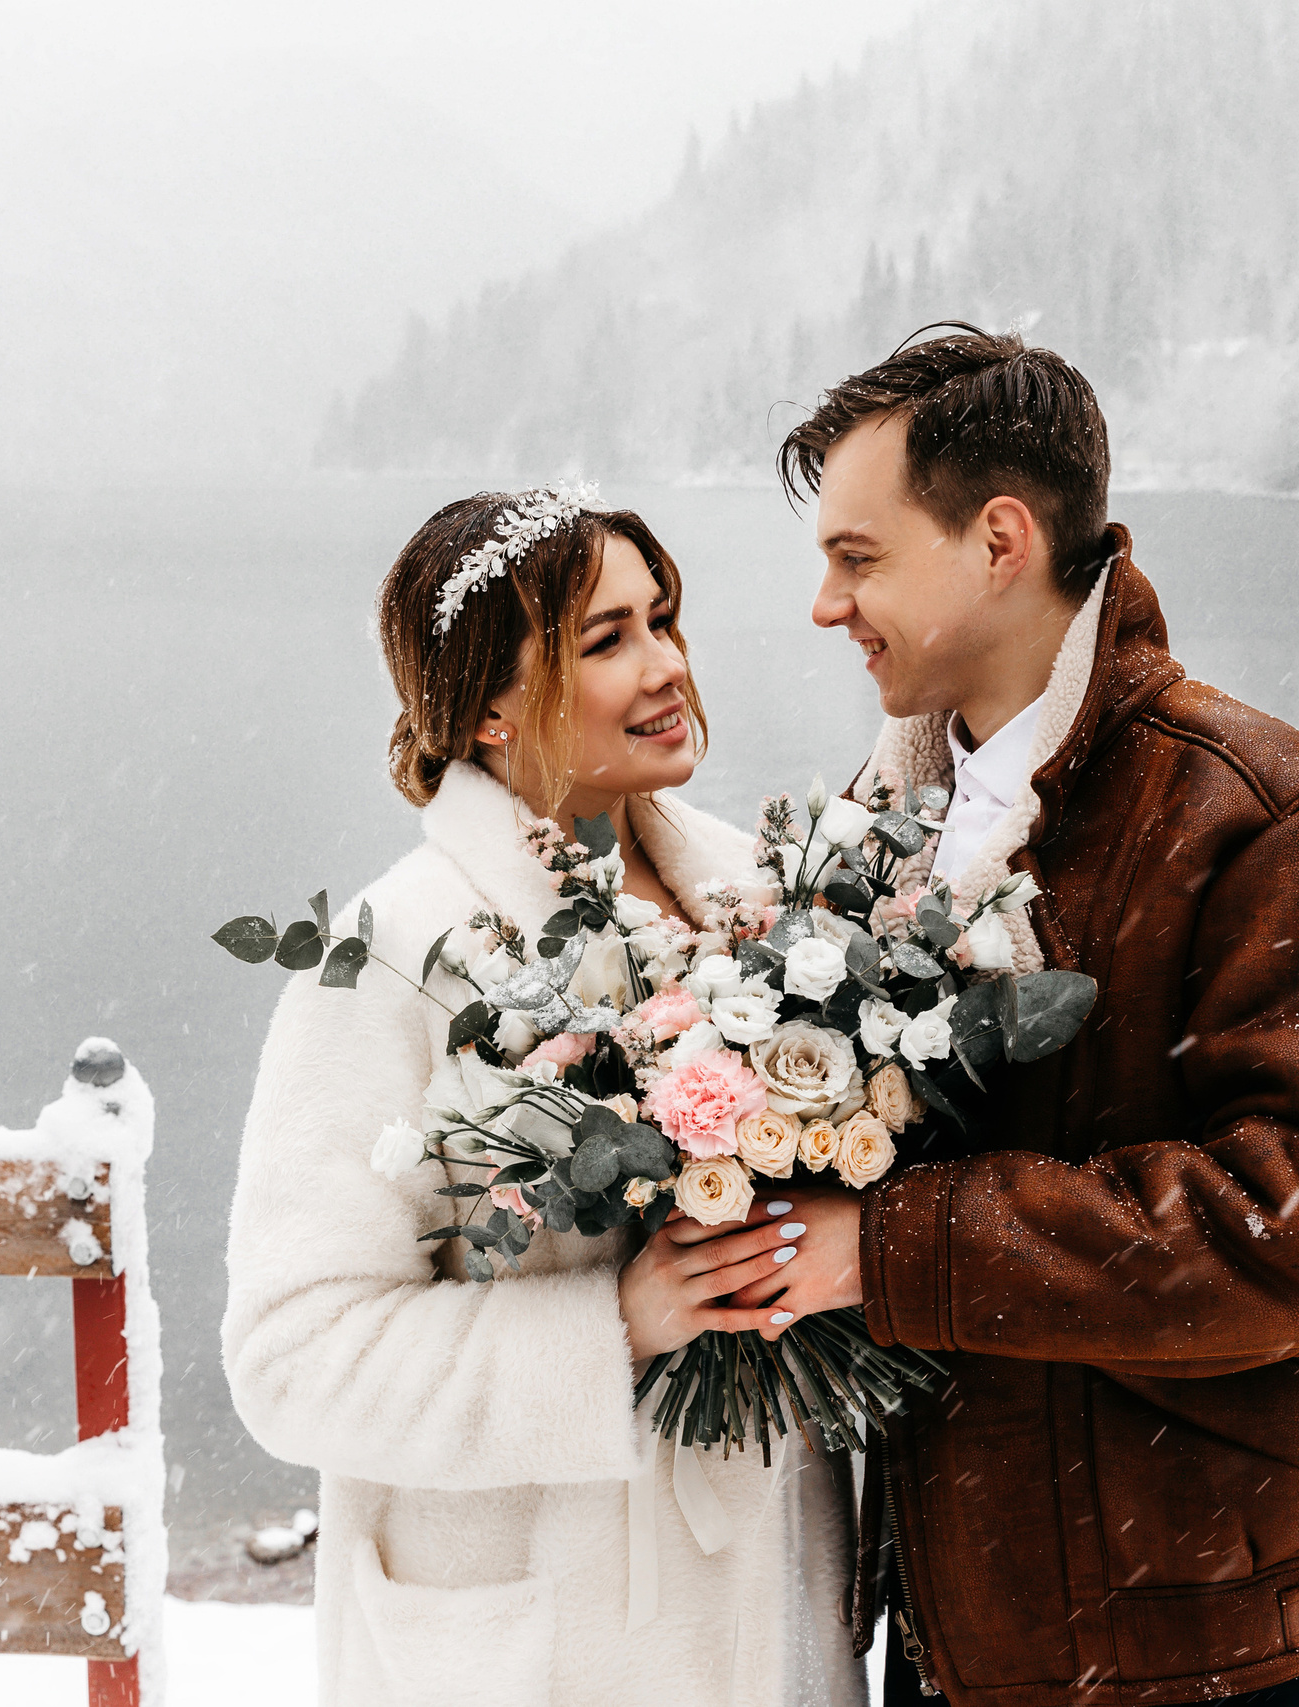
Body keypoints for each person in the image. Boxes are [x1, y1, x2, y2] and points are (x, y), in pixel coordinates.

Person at [746, 326, 1299, 1705]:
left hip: (1199, 1640)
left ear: (1000, 538)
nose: (827, 604)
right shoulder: (889, 814)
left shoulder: (1258, 814)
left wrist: (890, 1251)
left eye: (859, 556)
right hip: (966, 1608)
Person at [221, 490, 866, 1707]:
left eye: (662, 618)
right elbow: (290, 1358)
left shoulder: (773, 907)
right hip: (535, 1652)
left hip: (769, 1611)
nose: (667, 664)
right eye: (606, 640)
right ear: (485, 709)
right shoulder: (392, 957)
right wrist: (616, 1326)